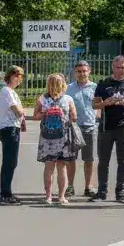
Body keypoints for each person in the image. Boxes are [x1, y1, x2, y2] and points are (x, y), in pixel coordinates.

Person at [91, 56, 124, 203]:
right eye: (118, 67)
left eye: (123, 68)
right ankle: (102, 191)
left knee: (122, 161)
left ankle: (120, 193)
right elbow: (95, 105)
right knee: (103, 161)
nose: (120, 70)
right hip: (106, 127)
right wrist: (106, 102)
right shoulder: (104, 83)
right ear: (113, 67)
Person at [33, 73, 78, 205]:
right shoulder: (68, 99)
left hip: (47, 137)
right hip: (62, 136)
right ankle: (61, 197)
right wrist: (63, 115)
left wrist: (46, 113)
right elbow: (74, 117)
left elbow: (35, 116)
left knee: (49, 167)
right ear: (63, 84)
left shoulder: (42, 99)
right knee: (61, 167)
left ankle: (48, 196)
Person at [65, 60, 98, 199]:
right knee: (71, 159)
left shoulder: (95, 87)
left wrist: (97, 119)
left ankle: (88, 186)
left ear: (89, 71)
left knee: (89, 159)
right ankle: (70, 186)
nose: (82, 73)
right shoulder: (68, 88)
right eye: (79, 71)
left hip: (90, 127)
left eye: (84, 71)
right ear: (75, 72)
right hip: (73, 127)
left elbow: (99, 105)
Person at [0, 65, 26, 204]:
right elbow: (17, 110)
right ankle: (5, 194)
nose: (21, 79)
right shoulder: (7, 91)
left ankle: (7, 192)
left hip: (12, 127)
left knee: (11, 162)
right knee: (9, 162)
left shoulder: (11, 91)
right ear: (14, 75)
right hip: (9, 129)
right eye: (20, 76)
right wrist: (22, 113)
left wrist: (22, 119)